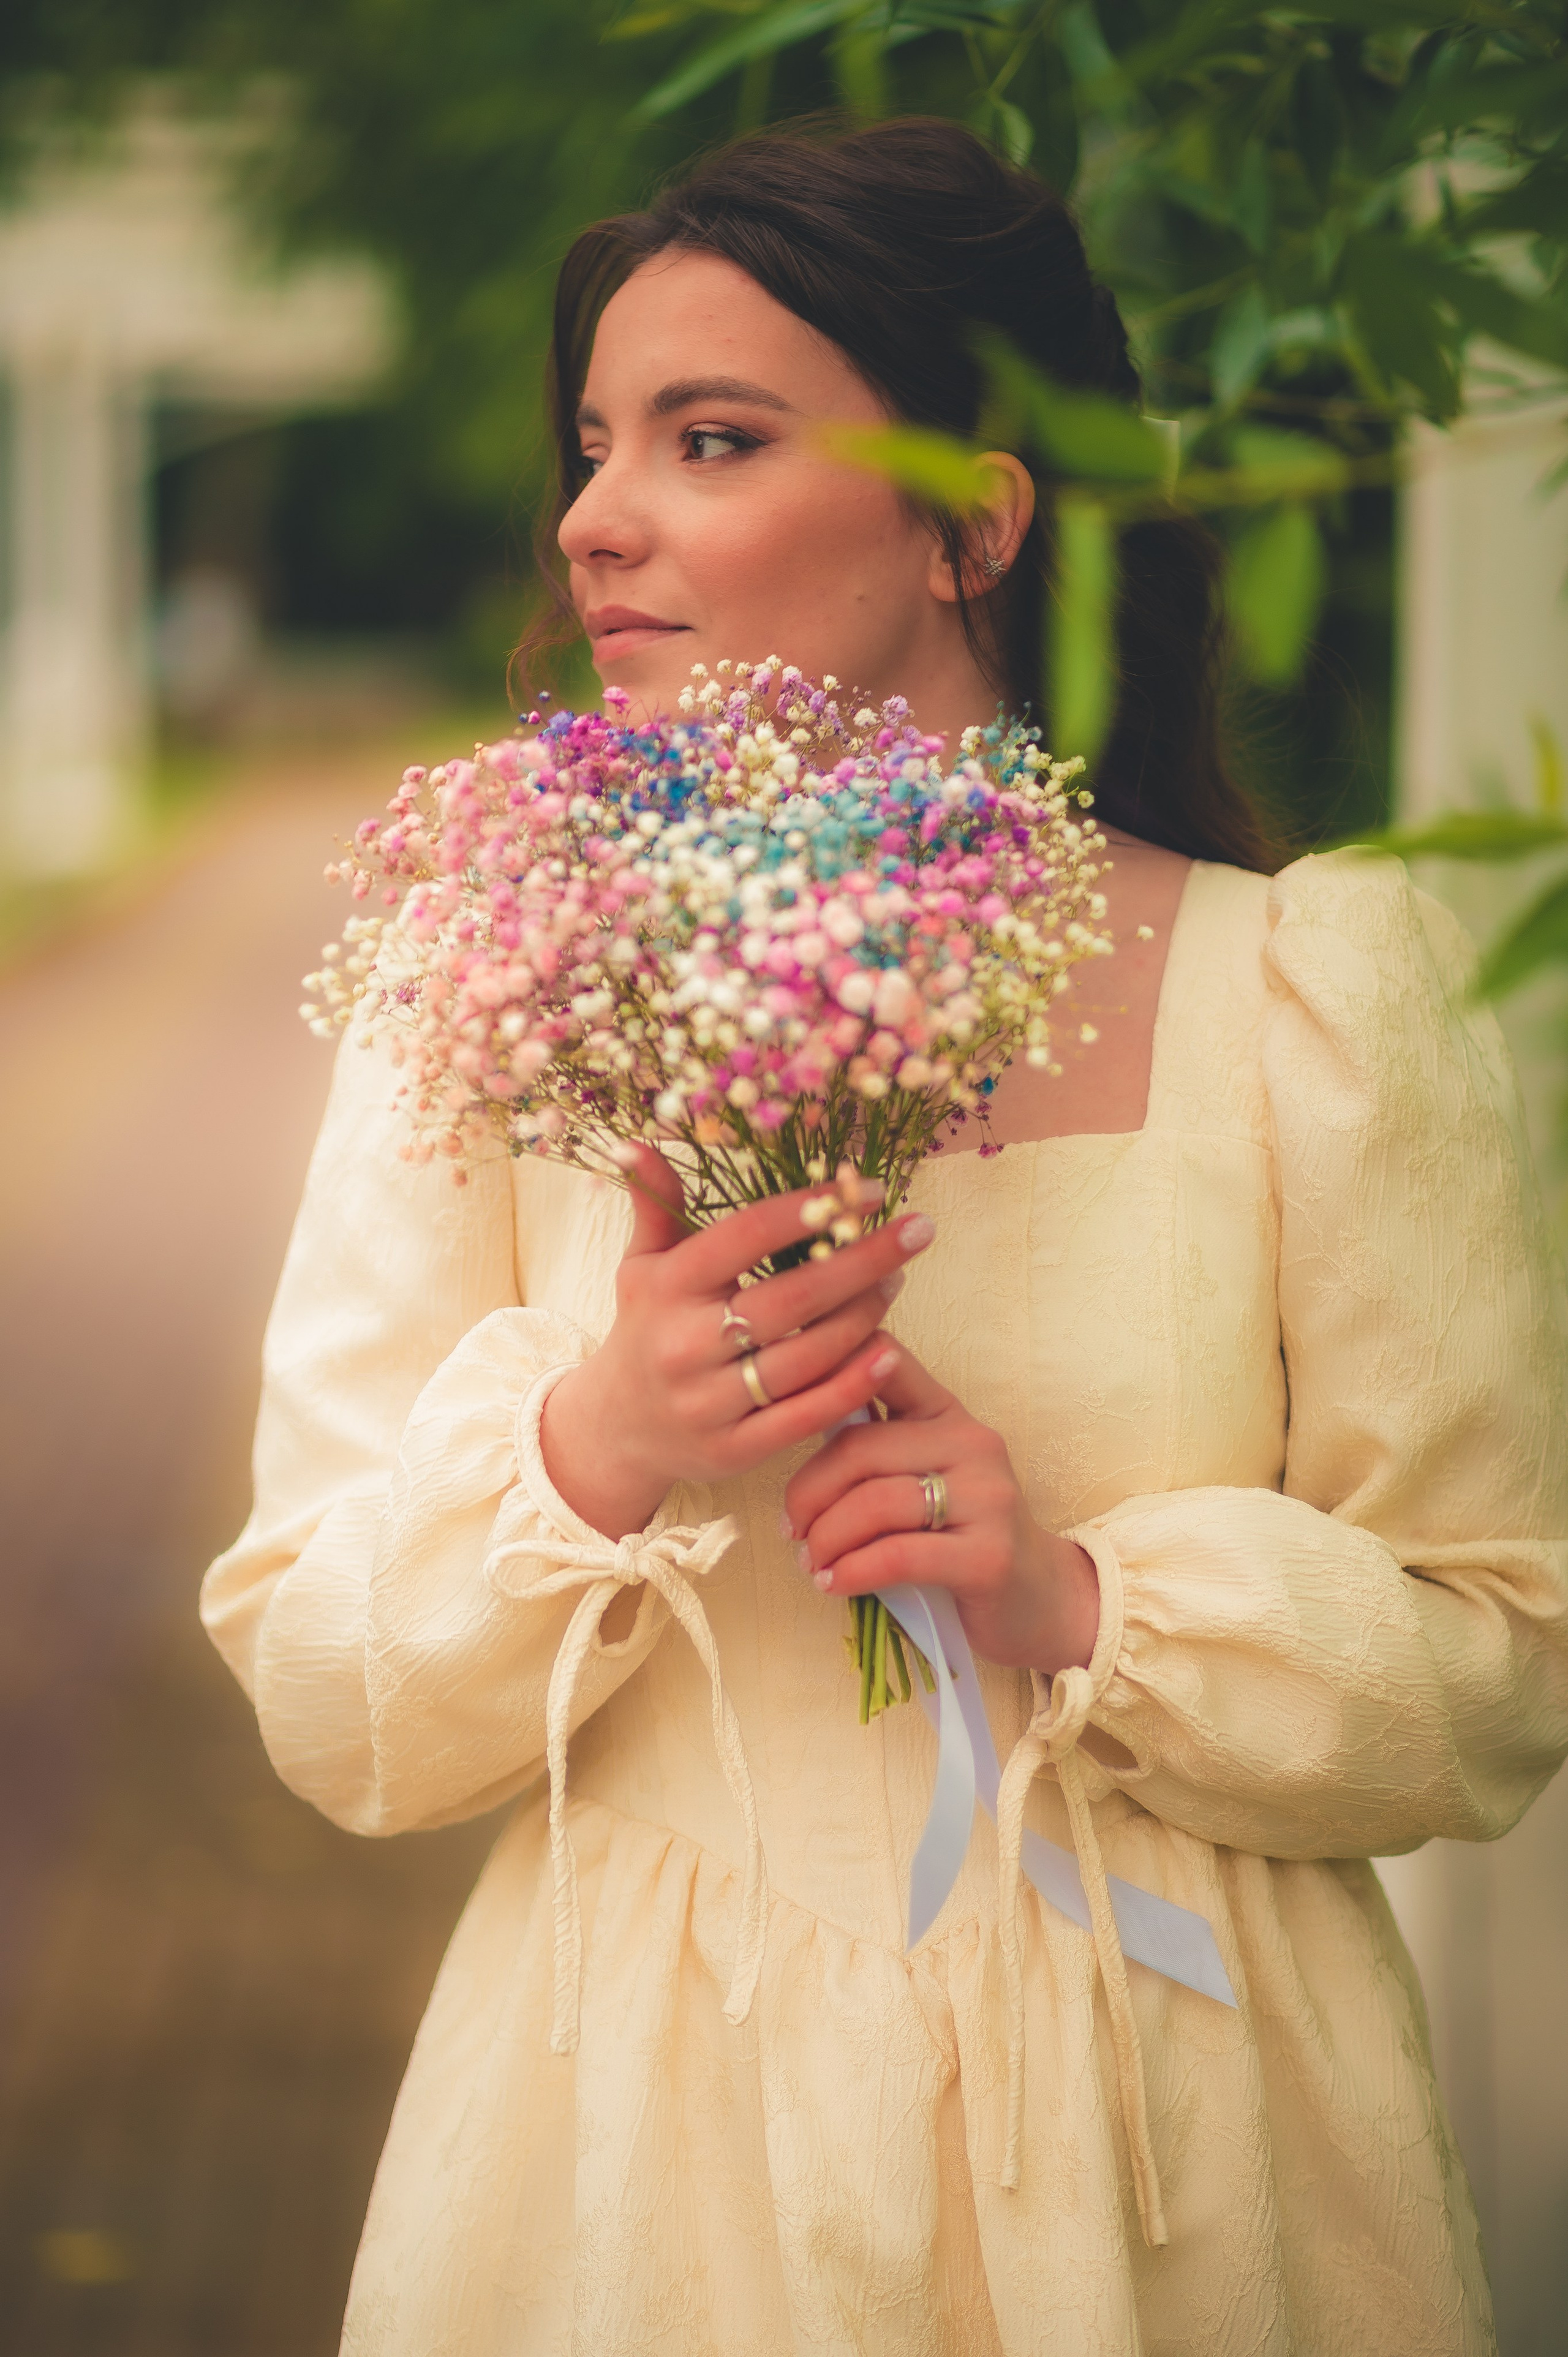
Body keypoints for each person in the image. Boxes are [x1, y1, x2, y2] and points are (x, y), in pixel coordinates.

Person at [202, 118, 1568, 2356]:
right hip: (630, 2148)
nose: (591, 520)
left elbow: (1501, 1669)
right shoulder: (497, 985)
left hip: (1177, 2141)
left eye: (711, 439)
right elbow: (330, 1704)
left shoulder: (1304, 993)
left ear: (972, 521)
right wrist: (601, 1442)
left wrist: (1073, 1600)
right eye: (596, 444)